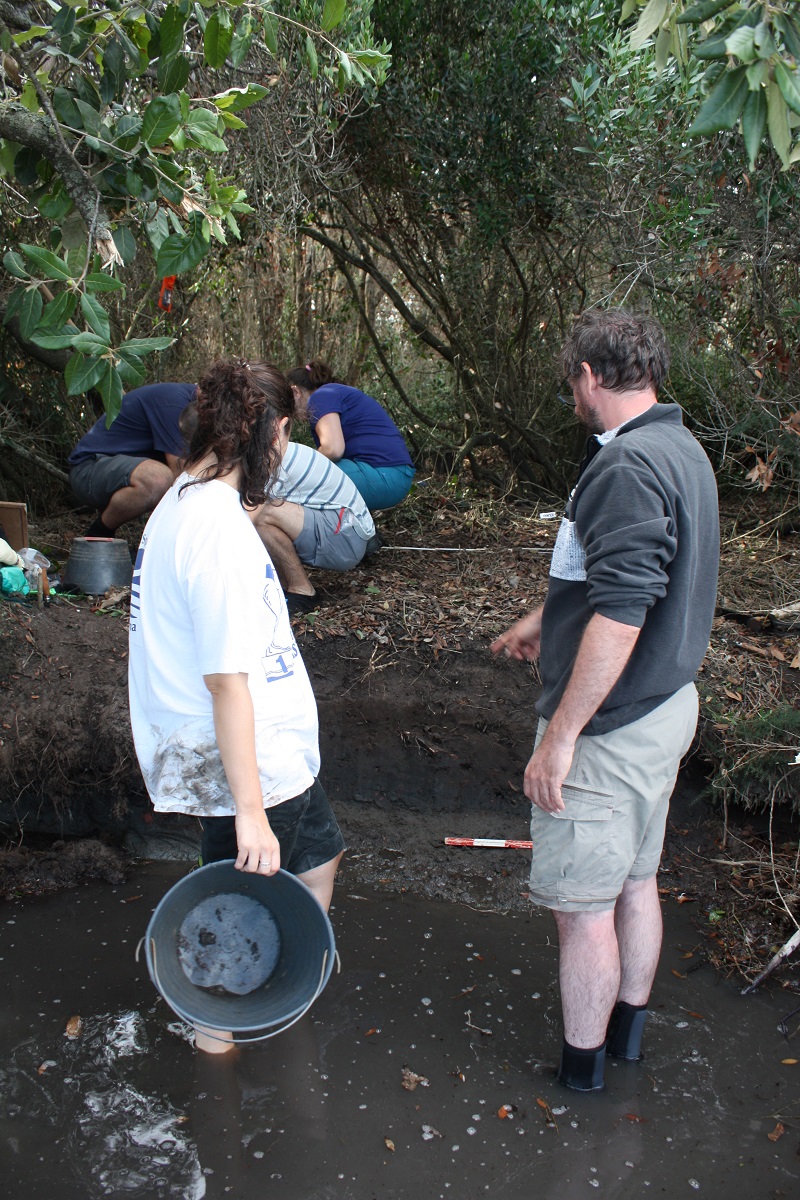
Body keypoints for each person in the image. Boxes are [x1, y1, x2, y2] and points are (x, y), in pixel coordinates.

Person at [491, 309, 719, 1092]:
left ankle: (579, 1081)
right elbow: (629, 577)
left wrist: (560, 737)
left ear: (589, 377)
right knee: (633, 882)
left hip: (612, 730)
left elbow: (624, 613)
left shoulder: (624, 467)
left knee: (583, 911)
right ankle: (626, 1038)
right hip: (664, 708)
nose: (573, 398)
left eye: (571, 385)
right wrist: (545, 618)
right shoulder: (677, 446)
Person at [128, 360, 345, 1052]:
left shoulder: (191, 497)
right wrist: (249, 813)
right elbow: (226, 682)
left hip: (278, 755)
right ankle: (216, 1055)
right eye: (286, 438)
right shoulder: (216, 534)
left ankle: (285, 1000)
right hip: (245, 765)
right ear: (273, 433)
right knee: (228, 925)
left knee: (319, 857)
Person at [254, 441, 378, 616]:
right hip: (349, 529)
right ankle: (283, 587)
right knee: (258, 512)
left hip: (347, 537)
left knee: (260, 513)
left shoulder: (266, 457)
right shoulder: (271, 446)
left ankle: (303, 591)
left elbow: (243, 519)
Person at [68, 382, 196, 536]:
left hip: (123, 470)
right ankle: (99, 533)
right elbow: (183, 477)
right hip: (89, 469)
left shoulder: (202, 410)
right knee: (159, 479)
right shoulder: (175, 403)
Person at [286, 361, 415, 511]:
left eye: (287, 402)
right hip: (393, 475)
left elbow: (333, 449)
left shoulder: (321, 396)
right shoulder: (334, 393)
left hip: (385, 475)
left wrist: (301, 463)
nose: (289, 412)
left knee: (298, 477)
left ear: (295, 391)